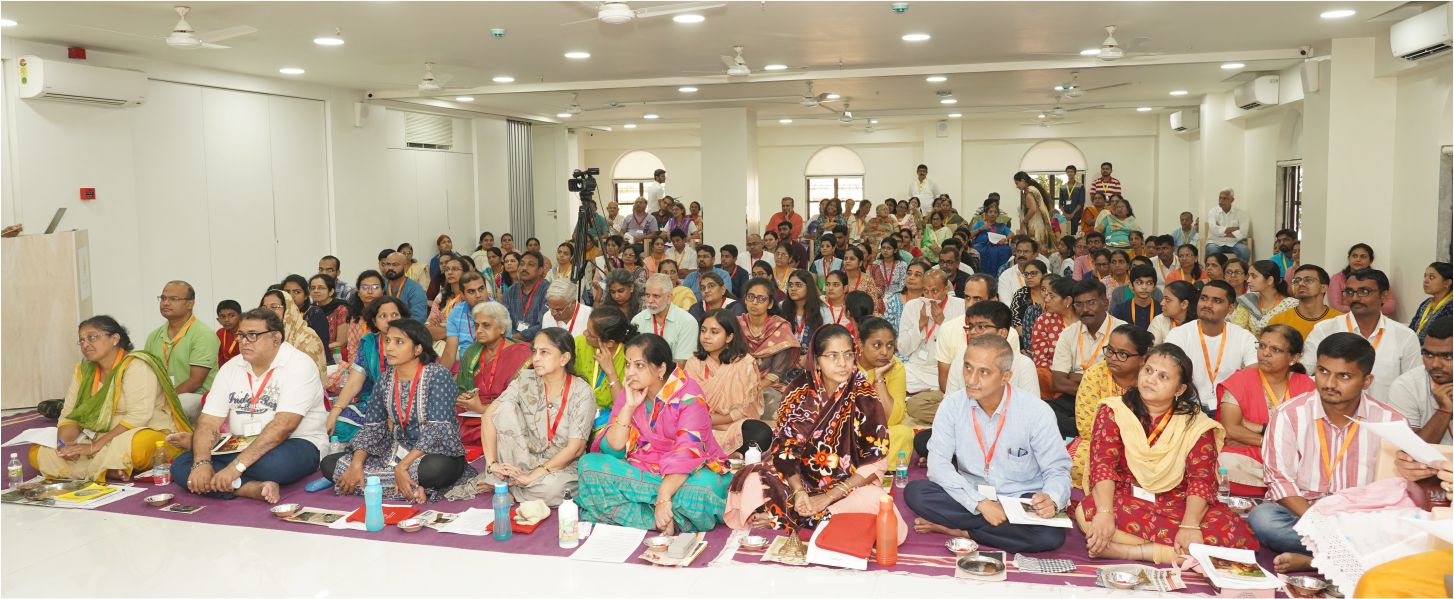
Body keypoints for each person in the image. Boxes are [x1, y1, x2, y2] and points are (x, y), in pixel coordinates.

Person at [723, 325, 907, 544]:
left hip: (847, 487)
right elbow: (786, 451)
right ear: (817, 360)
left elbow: (876, 461)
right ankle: (816, 518)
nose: (842, 363)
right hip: (799, 482)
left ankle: (791, 517)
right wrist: (800, 492)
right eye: (833, 356)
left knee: (877, 501)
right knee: (752, 479)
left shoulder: (865, 396)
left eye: (848, 355)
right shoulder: (797, 392)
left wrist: (829, 496)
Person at [1076, 343, 1254, 563]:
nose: (1151, 379)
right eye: (1148, 371)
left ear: (1180, 389)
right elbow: (1102, 466)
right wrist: (1104, 513)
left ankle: (1126, 551)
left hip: (1177, 502)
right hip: (1126, 497)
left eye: (1163, 377)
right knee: (1091, 512)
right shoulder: (1114, 411)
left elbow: (1202, 479)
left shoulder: (1196, 425)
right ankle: (1180, 554)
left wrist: (1190, 525)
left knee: (1232, 531)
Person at [1252, 332, 1406, 573]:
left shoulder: (1390, 422)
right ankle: (1349, 558)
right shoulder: (1290, 414)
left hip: (1359, 519)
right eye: (1323, 371)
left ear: (1367, 381)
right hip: (1305, 513)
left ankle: (1316, 561)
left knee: (1402, 528)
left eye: (1344, 376)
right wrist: (1319, 522)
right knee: (1263, 519)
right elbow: (1279, 480)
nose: (1329, 383)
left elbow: (1394, 491)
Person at [906, 334, 1072, 553]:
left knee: (1050, 536)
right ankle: (996, 530)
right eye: (967, 368)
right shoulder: (952, 406)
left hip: (1019, 498)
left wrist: (1051, 499)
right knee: (916, 492)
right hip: (970, 494)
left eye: (984, 372)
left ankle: (961, 531)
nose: (971, 379)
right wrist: (980, 504)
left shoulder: (1036, 412)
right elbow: (938, 465)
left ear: (1006, 377)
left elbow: (1057, 469)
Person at [577, 334, 732, 533]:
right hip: (642, 467)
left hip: (688, 472)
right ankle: (667, 520)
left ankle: (640, 510)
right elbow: (613, 448)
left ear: (661, 369)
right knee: (589, 465)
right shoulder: (630, 392)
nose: (630, 373)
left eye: (639, 366)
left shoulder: (689, 394)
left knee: (701, 491)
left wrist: (664, 496)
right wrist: (629, 407)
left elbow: (688, 452)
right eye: (627, 364)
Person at [172, 308, 328, 503]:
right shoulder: (231, 367)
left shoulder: (299, 365)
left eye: (253, 335)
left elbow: (283, 426)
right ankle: (249, 488)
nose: (244, 342)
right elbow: (208, 421)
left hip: (295, 443)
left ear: (276, 338)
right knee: (181, 465)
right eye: (241, 335)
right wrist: (201, 462)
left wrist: (234, 468)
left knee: (275, 465)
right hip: (240, 443)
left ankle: (227, 474)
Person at [321, 318, 474, 502]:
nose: (389, 348)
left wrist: (402, 467)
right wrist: (356, 464)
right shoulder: (385, 380)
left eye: (399, 342)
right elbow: (373, 428)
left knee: (437, 469)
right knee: (329, 464)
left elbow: (438, 430)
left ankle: (380, 483)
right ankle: (407, 486)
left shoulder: (438, 375)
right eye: (388, 341)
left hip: (433, 454)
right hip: (394, 452)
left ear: (418, 348)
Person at [34, 316, 191, 481]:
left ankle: (98, 465)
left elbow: (139, 416)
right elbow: (69, 414)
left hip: (141, 430)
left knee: (137, 446)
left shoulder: (136, 365)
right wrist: (64, 446)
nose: (85, 344)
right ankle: (107, 468)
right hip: (96, 436)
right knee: (39, 452)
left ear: (115, 339)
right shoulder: (83, 371)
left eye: (92, 337)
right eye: (81, 341)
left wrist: (95, 447)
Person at [470, 328, 597, 506]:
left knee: (553, 491)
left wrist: (533, 476)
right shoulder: (525, 379)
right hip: (523, 459)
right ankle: (513, 482)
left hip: (561, 467)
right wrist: (491, 464)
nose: (535, 358)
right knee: (503, 408)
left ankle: (510, 486)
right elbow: (489, 415)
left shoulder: (582, 392)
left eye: (544, 352)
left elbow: (575, 449)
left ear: (564, 358)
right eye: (534, 351)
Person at [1216, 325, 1315, 495]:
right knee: (1225, 463)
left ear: (1294, 357)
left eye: (1275, 349)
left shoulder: (1306, 385)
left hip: (1294, 457)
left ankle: (1280, 489)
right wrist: (1270, 443)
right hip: (1252, 455)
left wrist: (1259, 429)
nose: (1265, 353)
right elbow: (1231, 429)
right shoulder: (1240, 380)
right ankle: (1288, 490)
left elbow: (1308, 433)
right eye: (1262, 346)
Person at [1302, 269, 1421, 404]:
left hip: (1386, 420)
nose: (1355, 298)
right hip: (1336, 417)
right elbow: (1305, 371)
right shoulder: (1325, 330)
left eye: (1364, 292)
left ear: (1384, 296)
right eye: (1349, 292)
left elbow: (1413, 386)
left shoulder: (1405, 337)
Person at [1067, 325, 1153, 489]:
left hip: (1142, 450)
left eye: (1122, 354)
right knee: (1076, 461)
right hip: (1100, 444)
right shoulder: (1095, 374)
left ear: (1143, 358)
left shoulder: (1151, 380)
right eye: (1110, 351)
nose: (1113, 358)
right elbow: (1086, 428)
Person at [1163, 281, 1258, 415]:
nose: (1207, 304)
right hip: (1188, 407)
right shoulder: (1179, 334)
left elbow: (1254, 373)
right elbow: (1167, 372)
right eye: (1203, 298)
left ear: (1230, 308)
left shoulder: (1244, 337)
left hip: (1230, 407)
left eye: (1217, 301)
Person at [1049, 279, 1127, 437]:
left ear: (1105, 302)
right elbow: (1058, 382)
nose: (1085, 309)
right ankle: (1092, 432)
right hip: (1074, 395)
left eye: (1091, 303)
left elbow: (1122, 376)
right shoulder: (1069, 333)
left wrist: (1075, 375)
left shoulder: (1122, 331)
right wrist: (1088, 392)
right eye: (1078, 304)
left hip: (1111, 397)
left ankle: (1086, 431)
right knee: (1043, 410)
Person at [684, 310, 767, 454]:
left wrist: (720, 420)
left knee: (761, 434)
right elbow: (688, 405)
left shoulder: (745, 363)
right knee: (682, 428)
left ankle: (713, 448)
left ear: (729, 337)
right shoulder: (694, 363)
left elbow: (748, 407)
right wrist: (707, 421)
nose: (706, 337)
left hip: (732, 424)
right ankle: (728, 450)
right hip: (700, 424)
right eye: (703, 331)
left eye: (714, 332)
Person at [328, 296, 409, 442]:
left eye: (395, 315)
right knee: (339, 425)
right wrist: (335, 410)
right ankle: (373, 440)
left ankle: (373, 440)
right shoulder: (369, 343)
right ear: (374, 321)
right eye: (383, 316)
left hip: (407, 403)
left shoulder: (413, 341)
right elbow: (354, 383)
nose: (390, 320)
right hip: (375, 403)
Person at [145, 280, 220, 419]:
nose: (166, 303)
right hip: (164, 399)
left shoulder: (203, 334)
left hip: (197, 399)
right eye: (163, 298)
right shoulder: (153, 336)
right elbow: (148, 376)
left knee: (183, 402)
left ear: (190, 304)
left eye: (173, 299)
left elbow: (195, 381)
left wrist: (164, 401)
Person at [737, 278, 800, 416]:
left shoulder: (779, 328)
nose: (754, 302)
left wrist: (753, 389)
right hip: (736, 382)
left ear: (770, 303)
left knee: (771, 404)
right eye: (751, 297)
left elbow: (776, 373)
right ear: (745, 299)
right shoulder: (736, 325)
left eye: (761, 299)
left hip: (769, 385)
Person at [900, 271, 966, 399]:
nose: (929, 296)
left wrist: (943, 322)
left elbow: (962, 347)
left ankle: (920, 397)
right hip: (916, 369)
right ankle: (925, 397)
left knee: (958, 384)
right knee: (894, 378)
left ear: (945, 289)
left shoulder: (960, 306)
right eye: (925, 291)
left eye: (934, 291)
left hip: (944, 370)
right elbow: (903, 349)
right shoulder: (912, 306)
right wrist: (920, 325)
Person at [1387, 316, 1452, 443]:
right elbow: (1412, 450)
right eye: (1428, 354)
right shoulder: (1406, 386)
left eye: (1447, 356)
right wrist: (1444, 410)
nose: (1435, 364)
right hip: (1430, 463)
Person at [260, 289, 329, 388]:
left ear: (288, 309)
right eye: (264, 307)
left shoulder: (307, 337)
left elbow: (311, 378)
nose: (268, 312)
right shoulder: (262, 335)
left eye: (274, 307)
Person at [631, 274, 697, 365]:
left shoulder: (687, 322)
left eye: (656, 296)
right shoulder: (637, 320)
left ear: (669, 297)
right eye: (647, 295)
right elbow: (632, 358)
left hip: (675, 377)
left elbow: (682, 363)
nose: (650, 300)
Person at [1030, 276, 1078, 398]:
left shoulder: (1086, 320)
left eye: (1052, 296)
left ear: (1067, 300)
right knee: (1040, 374)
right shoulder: (1043, 320)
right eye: (1046, 295)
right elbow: (1040, 358)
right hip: (1055, 376)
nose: (1046, 299)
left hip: (1083, 374)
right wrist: (1063, 375)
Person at [1267, 264, 1342, 339]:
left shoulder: (1340, 320)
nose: (1300, 284)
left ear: (1323, 288)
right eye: (1296, 281)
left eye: (1308, 280)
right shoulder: (1279, 320)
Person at [1228, 260, 1297, 336]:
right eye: (1249, 276)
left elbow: (1291, 336)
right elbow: (1237, 331)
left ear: (1270, 280)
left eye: (1253, 276)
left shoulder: (1290, 305)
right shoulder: (1248, 301)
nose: (1248, 280)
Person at [1327, 243, 1396, 315]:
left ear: (1371, 260)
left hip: (1374, 320)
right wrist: (1368, 308)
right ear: (1348, 259)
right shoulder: (1337, 279)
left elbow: (1390, 306)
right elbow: (1336, 307)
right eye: (1354, 256)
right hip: (1345, 320)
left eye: (1363, 256)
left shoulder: (1378, 278)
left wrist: (1364, 310)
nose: (1358, 259)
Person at [502, 251, 549, 342]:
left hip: (538, 342)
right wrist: (511, 337)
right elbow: (504, 320)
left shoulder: (548, 291)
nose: (524, 268)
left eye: (530, 265)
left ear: (540, 270)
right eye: (522, 264)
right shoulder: (511, 291)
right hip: (512, 342)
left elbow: (543, 324)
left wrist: (516, 337)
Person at [282, 275, 332, 358]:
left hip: (314, 359)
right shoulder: (279, 314)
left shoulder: (314, 313)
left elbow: (321, 344)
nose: (291, 296)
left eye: (297, 292)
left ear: (306, 296)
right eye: (287, 292)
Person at [307, 274, 350, 365]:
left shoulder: (340, 309)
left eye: (321, 288)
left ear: (331, 291)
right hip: (313, 350)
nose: (316, 291)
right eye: (313, 288)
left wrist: (318, 348)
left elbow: (341, 342)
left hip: (333, 351)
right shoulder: (310, 309)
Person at [380, 251, 429, 324]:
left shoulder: (415, 289)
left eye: (395, 264)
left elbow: (418, 319)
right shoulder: (381, 285)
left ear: (405, 267)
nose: (390, 268)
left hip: (406, 331)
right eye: (388, 264)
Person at [1409, 261, 1452, 342]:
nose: (1426, 280)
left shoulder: (1451, 306)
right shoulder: (1426, 303)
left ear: (1447, 283)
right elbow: (1411, 330)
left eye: (1431, 277)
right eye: (1425, 276)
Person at [1009, 262, 1048, 351]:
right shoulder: (1021, 294)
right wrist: (1034, 342)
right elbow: (1016, 322)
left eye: (1033, 273)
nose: (1029, 277)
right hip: (1026, 343)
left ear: (1044, 275)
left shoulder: (1051, 293)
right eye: (1026, 274)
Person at [1013, 171, 1056, 252]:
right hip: (1040, 223)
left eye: (1017, 183)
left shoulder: (1029, 191)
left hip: (1035, 225)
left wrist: (1024, 222)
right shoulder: (1034, 189)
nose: (1016, 186)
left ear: (1023, 181)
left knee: (1035, 250)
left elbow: (1033, 209)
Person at [1110, 265, 1161, 331]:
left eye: (1149, 283)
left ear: (1155, 286)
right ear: (1131, 285)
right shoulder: (1120, 310)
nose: (1144, 287)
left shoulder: (1161, 309)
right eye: (1139, 283)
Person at [1204, 188, 1250, 261]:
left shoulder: (1241, 213)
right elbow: (1213, 230)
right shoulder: (1213, 211)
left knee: (1244, 251)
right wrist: (1234, 229)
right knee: (1211, 251)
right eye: (1220, 198)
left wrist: (1220, 230)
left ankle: (1241, 271)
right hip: (1215, 242)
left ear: (1232, 200)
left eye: (1225, 198)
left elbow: (1243, 233)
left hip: (1234, 242)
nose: (1221, 201)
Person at [969, 201, 1013, 277]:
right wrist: (980, 229)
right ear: (986, 214)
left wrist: (1005, 239)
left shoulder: (1001, 225)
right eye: (990, 212)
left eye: (995, 212)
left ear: (998, 215)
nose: (993, 214)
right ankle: (982, 276)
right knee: (984, 251)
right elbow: (970, 235)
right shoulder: (980, 223)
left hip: (998, 246)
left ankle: (1001, 276)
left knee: (1006, 249)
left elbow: (1012, 234)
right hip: (982, 246)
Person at [1149, 280, 1198, 345]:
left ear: (1184, 304)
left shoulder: (1199, 325)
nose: (1161, 303)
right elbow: (1150, 351)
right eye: (1163, 298)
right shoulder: (1159, 320)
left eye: (1167, 300)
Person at [1058, 164, 1085, 232]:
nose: (1070, 173)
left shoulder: (1080, 186)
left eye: (1072, 171)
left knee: (1073, 232)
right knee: (1065, 232)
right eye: (1068, 172)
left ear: (1075, 173)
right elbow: (1060, 203)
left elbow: (1081, 202)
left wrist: (1073, 214)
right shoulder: (1062, 187)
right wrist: (1065, 214)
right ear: (1066, 173)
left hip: (1076, 214)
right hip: (1065, 214)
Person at [215, 300, 242, 367]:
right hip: (226, 370)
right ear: (218, 320)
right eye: (223, 317)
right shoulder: (219, 333)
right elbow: (219, 357)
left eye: (232, 316)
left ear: (240, 316)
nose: (227, 320)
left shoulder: (246, 333)